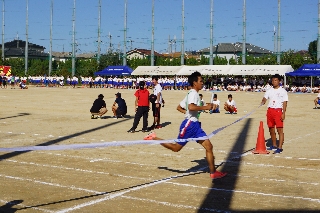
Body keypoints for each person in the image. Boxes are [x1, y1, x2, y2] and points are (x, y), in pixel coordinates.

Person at [143, 71, 227, 179]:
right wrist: (204, 108)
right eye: (201, 81)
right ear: (194, 83)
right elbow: (191, 107)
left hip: (195, 125)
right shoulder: (192, 94)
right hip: (189, 125)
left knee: (209, 146)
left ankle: (213, 172)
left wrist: (208, 107)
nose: (202, 83)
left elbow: (180, 107)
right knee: (176, 148)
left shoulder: (192, 94)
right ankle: (154, 138)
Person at [261, 74, 288, 154]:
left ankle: (280, 147)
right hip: (270, 111)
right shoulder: (269, 90)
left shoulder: (283, 91)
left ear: (279, 81)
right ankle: (274, 145)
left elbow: (285, 102)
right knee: (271, 129)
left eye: (275, 80)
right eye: (272, 80)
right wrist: (263, 101)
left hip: (278, 111)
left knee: (279, 129)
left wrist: (283, 113)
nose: (274, 82)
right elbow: (265, 98)